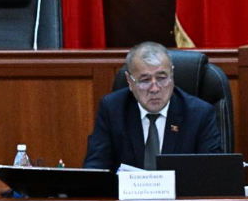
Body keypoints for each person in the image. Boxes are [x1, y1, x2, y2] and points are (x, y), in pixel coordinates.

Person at [83, 42, 222, 170]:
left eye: (162, 78)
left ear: (172, 74)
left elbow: (211, 173)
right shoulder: (112, 109)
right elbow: (95, 169)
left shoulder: (199, 114)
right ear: (129, 81)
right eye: (145, 80)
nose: (155, 88)